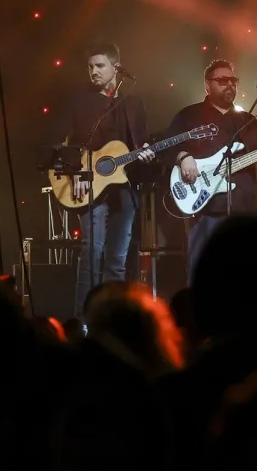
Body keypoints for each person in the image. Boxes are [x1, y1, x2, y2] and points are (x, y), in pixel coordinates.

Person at [47, 43, 150, 316]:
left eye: (100, 65)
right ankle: (82, 320)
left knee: (117, 258)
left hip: (124, 186)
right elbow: (55, 139)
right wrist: (76, 171)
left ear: (116, 68)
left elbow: (140, 142)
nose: (93, 71)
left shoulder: (133, 103)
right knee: (91, 252)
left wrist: (146, 153)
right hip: (88, 183)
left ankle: (111, 318)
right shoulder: (78, 101)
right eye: (90, 66)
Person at [163, 60, 257, 277]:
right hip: (204, 211)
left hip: (242, 211)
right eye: (222, 80)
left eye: (233, 80)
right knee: (203, 275)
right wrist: (183, 156)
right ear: (207, 85)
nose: (229, 85)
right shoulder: (189, 115)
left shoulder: (247, 121)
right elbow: (165, 149)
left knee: (241, 278)